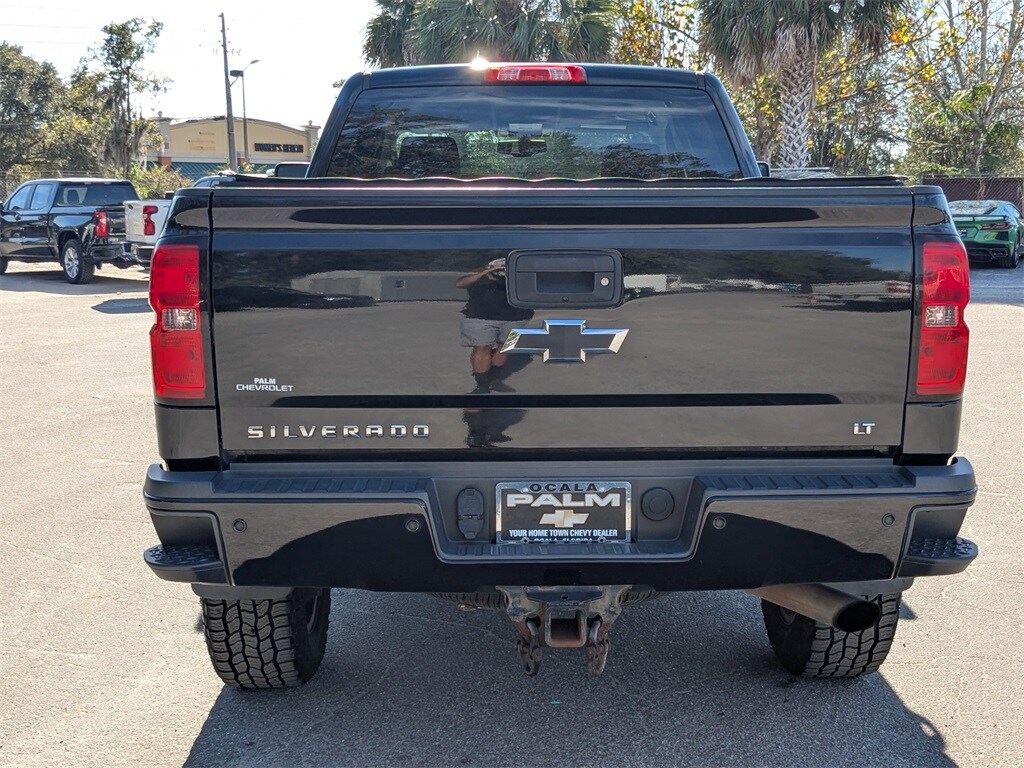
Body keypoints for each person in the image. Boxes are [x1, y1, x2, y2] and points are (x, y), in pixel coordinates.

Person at [455, 258, 533, 394]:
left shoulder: (515, 281)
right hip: (480, 318)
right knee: (482, 348)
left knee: (505, 347)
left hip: (515, 318)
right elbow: (460, 284)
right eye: (499, 267)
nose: (501, 270)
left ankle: (493, 379)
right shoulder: (479, 279)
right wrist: (486, 272)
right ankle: (482, 385)